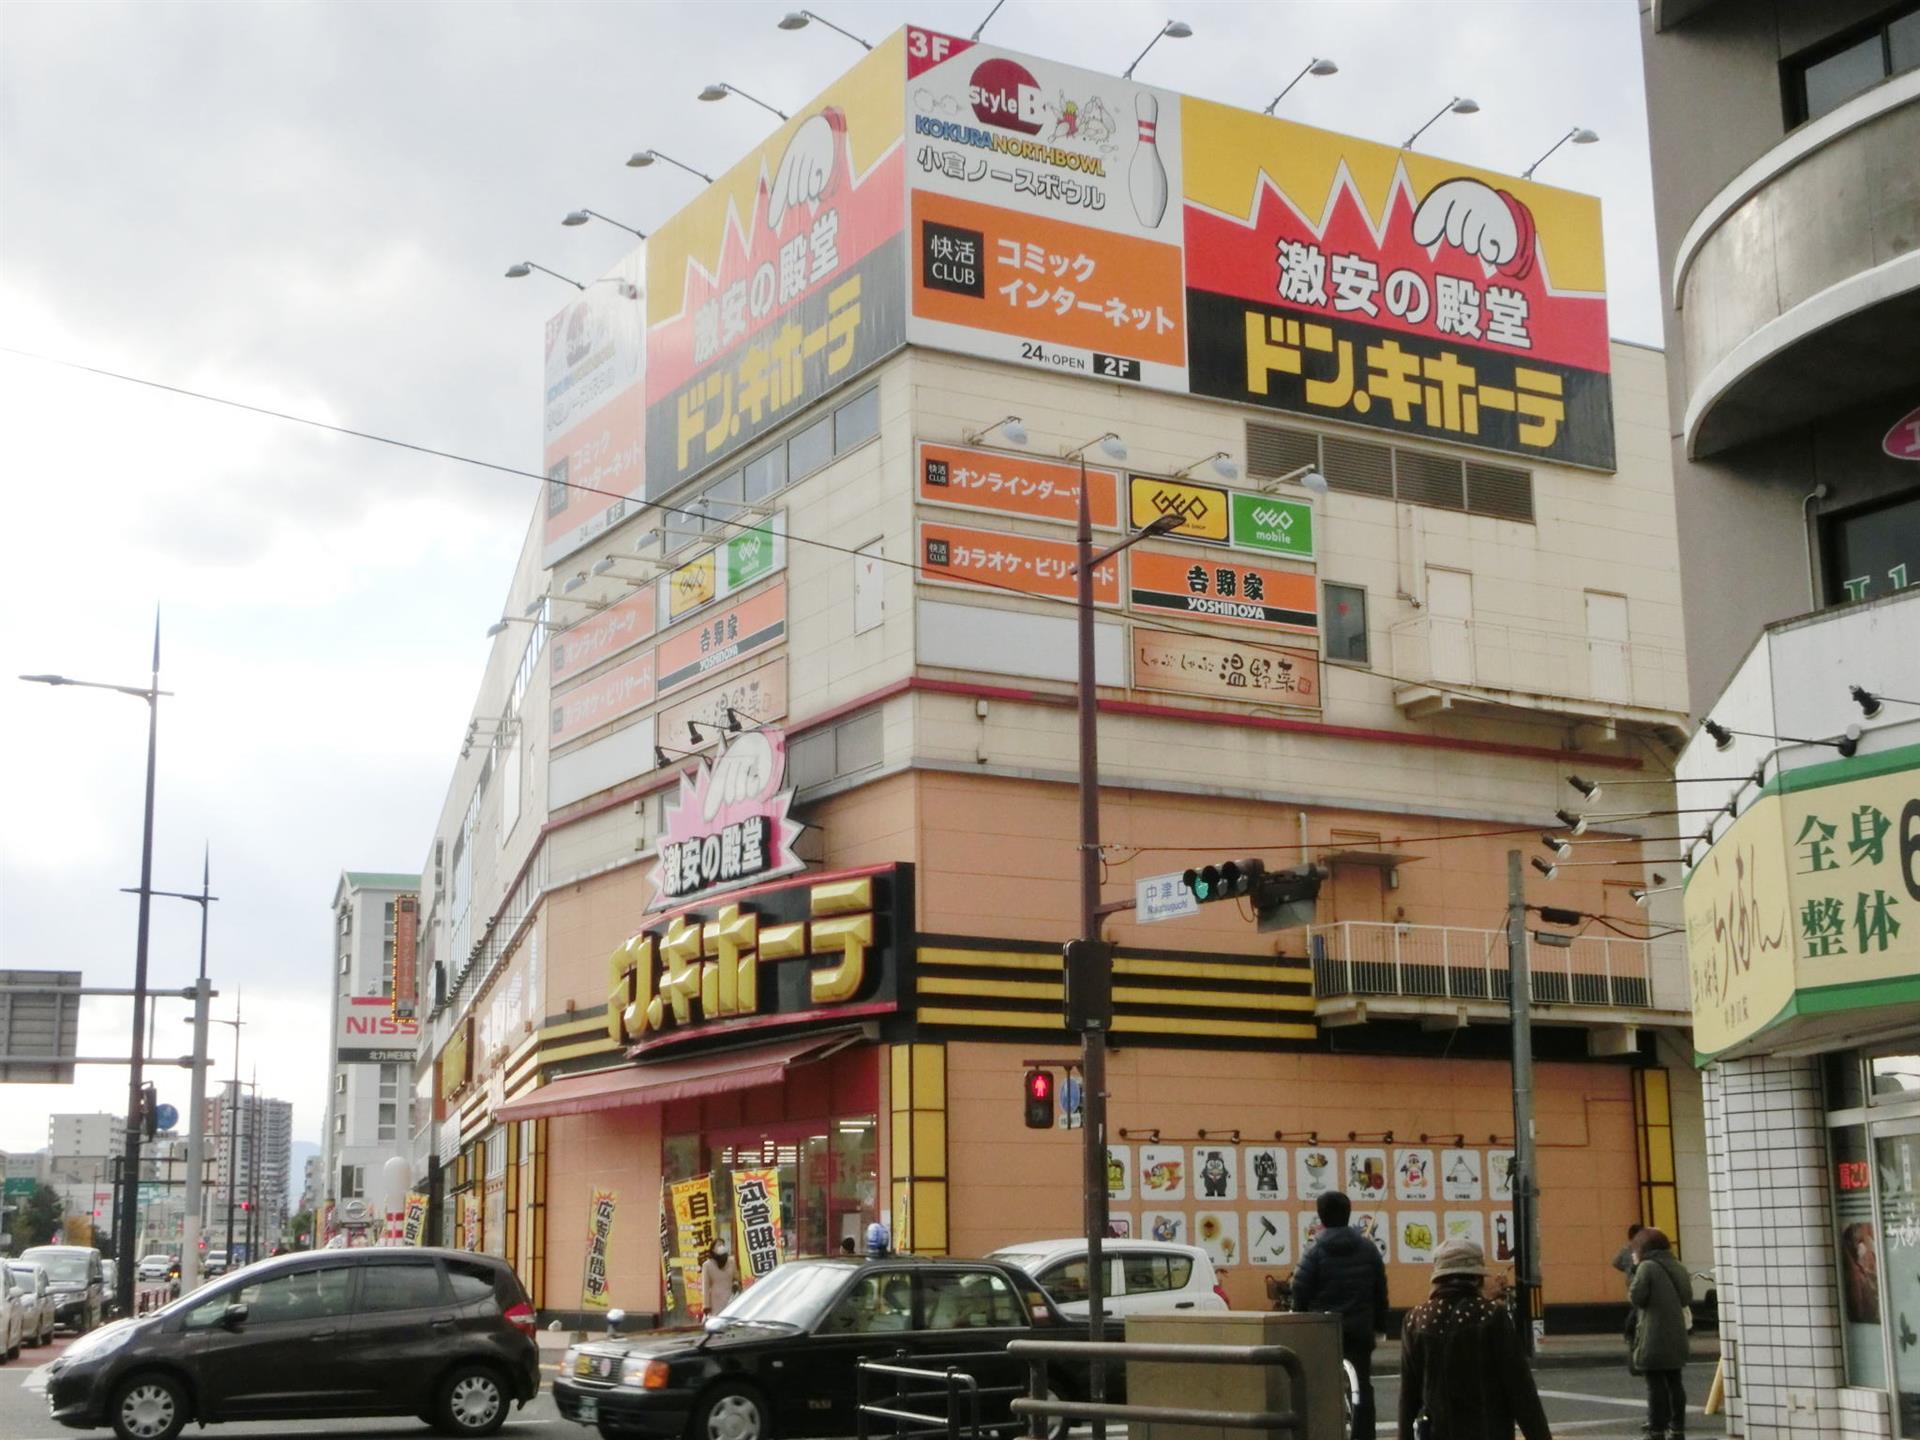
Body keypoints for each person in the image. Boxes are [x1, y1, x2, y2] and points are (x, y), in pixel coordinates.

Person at [1398, 1236, 1551, 1440]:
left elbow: (1408, 1395)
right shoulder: (1492, 1316)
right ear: (1477, 1277)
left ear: (1438, 1278)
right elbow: (1520, 1389)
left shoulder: (1416, 1319)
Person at [1292, 1191, 1389, 1440]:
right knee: (1362, 1388)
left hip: (1324, 1333)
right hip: (1359, 1331)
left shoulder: (1314, 1252)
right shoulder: (1368, 1249)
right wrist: (1379, 1325)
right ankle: (1364, 1435)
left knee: (1322, 1387)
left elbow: (1300, 1290)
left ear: (1321, 1216)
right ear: (1348, 1213)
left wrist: (1300, 1319)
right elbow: (1380, 1291)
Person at [1629, 1228, 1692, 1440]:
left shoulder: (1646, 1267)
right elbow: (1686, 1298)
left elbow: (1637, 1297)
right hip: (1676, 1332)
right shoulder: (1678, 1266)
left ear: (1643, 1249)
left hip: (1653, 1334)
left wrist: (1634, 1272)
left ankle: (1656, 1429)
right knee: (1675, 1381)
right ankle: (1677, 1428)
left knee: (1655, 1384)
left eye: (1635, 1249)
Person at [1614, 1223, 1646, 1351]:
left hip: (1630, 1281)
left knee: (1634, 1306)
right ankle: (1630, 1331)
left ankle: (1630, 1332)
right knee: (1637, 1308)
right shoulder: (1642, 1249)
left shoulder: (1625, 1249)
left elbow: (1615, 1262)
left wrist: (1626, 1270)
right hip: (1640, 1280)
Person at [700, 1240, 739, 1316]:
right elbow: (706, 1286)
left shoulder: (731, 1261)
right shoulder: (707, 1265)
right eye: (718, 1245)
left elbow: (736, 1277)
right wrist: (706, 1306)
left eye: (722, 1244)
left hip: (731, 1296)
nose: (721, 1247)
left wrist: (736, 1286)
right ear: (713, 1249)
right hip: (716, 1300)